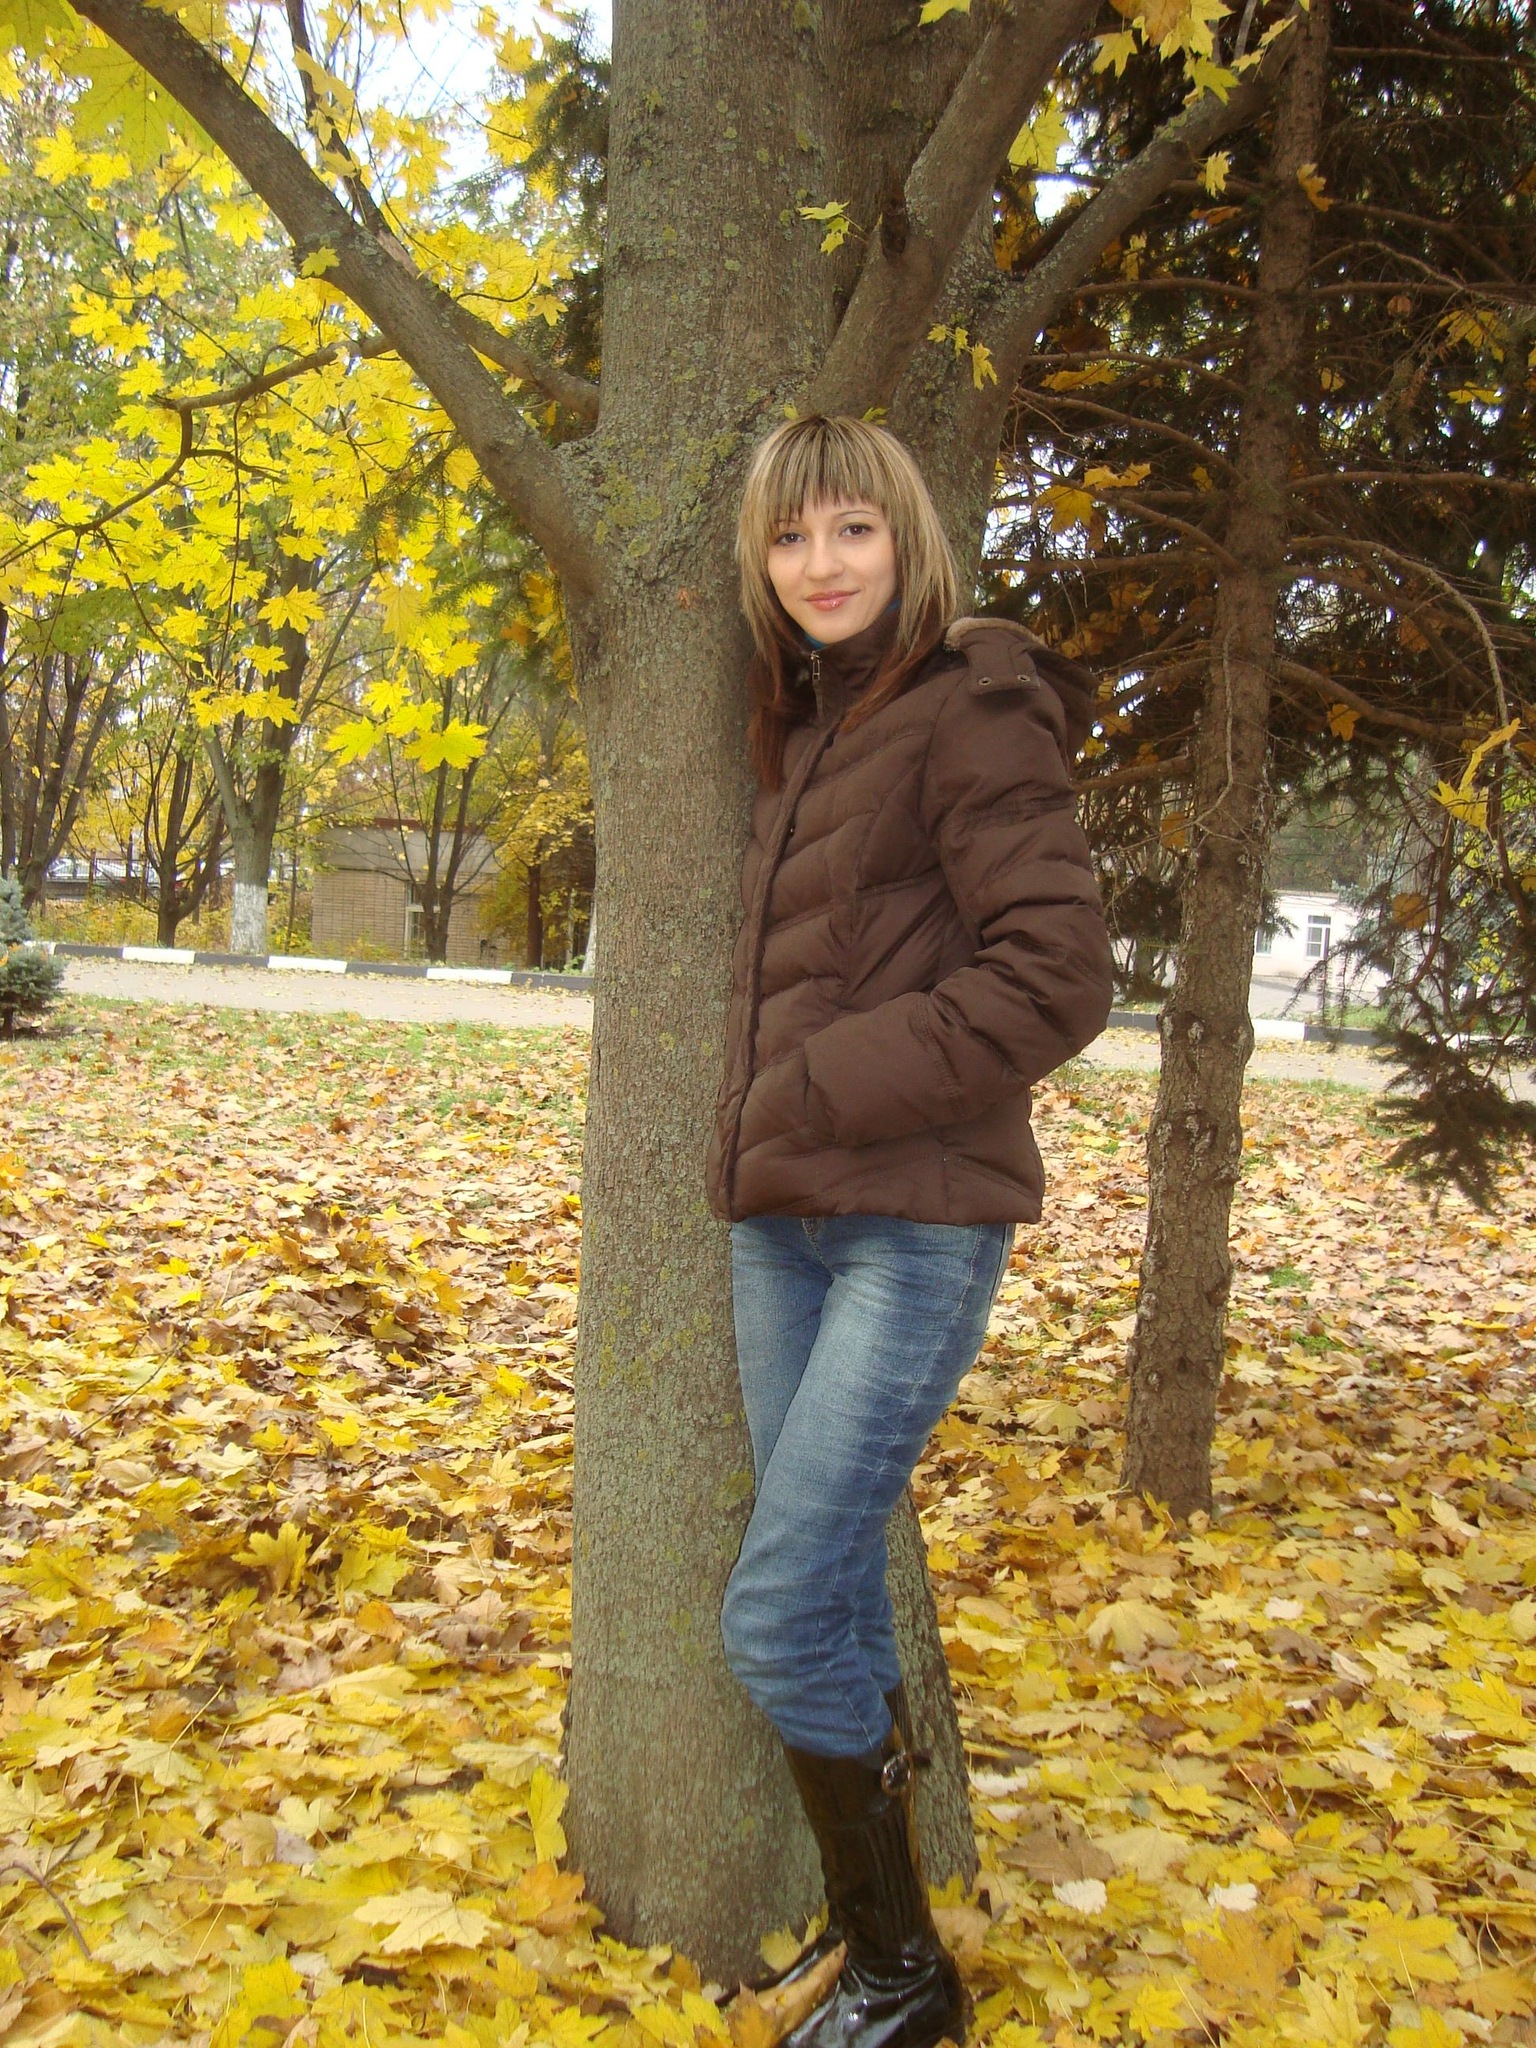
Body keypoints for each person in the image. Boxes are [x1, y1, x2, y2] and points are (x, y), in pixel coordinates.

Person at [706, 415, 1115, 2048]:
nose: (821, 564)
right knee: (832, 1600)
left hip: (911, 1231)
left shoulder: (971, 704)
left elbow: (1058, 977)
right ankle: (886, 1945)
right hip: (782, 1228)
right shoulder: (808, 726)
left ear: (909, 539)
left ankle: (898, 1979)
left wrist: (818, 1084)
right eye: (791, 536)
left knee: (775, 1613)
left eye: (853, 530)